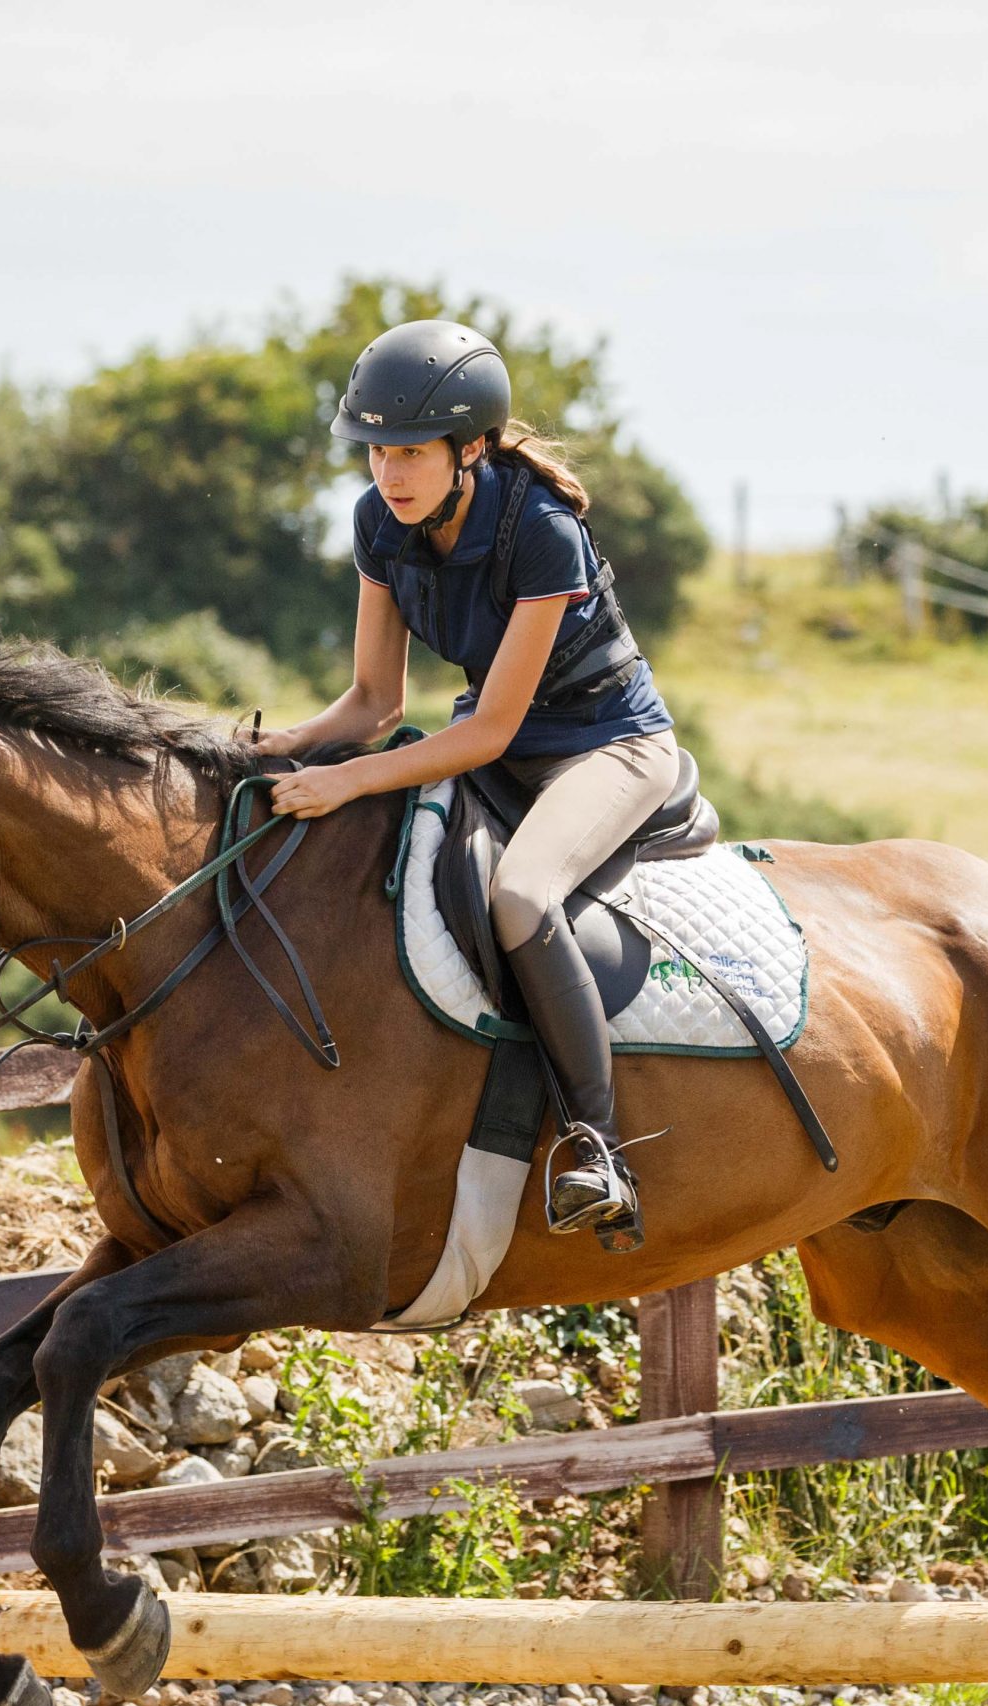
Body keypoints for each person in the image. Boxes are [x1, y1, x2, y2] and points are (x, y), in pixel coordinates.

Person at [260, 319, 679, 1246]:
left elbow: (489, 732)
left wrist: (353, 782)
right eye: (376, 453)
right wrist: (275, 747)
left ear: (472, 447)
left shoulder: (541, 530)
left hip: (604, 747)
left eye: (410, 452)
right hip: (496, 741)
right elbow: (371, 703)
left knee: (522, 897)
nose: (389, 474)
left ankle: (597, 1149)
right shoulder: (379, 523)